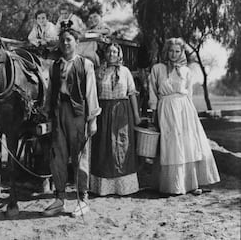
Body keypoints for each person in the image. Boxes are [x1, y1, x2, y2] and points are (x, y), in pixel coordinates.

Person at [42, 22, 101, 217]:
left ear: (77, 42)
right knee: (57, 155)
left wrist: (92, 119)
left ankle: (82, 199)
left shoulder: (85, 64)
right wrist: (46, 112)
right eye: (62, 40)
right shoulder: (55, 66)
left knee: (79, 156)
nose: (65, 43)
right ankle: (59, 199)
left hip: (78, 113)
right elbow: (50, 92)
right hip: (59, 112)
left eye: (69, 40)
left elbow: (91, 93)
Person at [148, 37, 220, 196]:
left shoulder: (186, 71)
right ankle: (172, 185)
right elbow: (152, 92)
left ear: (182, 52)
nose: (174, 54)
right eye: (171, 51)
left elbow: (190, 94)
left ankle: (190, 183)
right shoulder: (158, 69)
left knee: (187, 144)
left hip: (185, 110)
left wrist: (192, 114)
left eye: (177, 51)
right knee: (171, 145)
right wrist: (153, 113)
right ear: (166, 51)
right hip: (166, 108)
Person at [89, 43, 142, 196]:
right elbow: (93, 95)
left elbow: (131, 93)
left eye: (115, 51)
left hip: (122, 111)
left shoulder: (125, 72)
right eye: (109, 51)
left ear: (119, 54)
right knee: (104, 148)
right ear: (105, 54)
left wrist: (136, 116)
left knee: (121, 147)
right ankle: (103, 187)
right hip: (104, 112)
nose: (112, 54)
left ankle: (124, 187)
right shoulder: (99, 72)